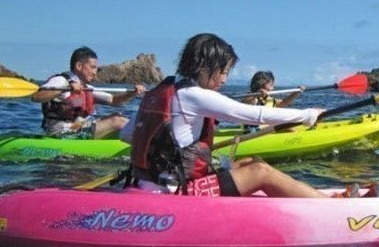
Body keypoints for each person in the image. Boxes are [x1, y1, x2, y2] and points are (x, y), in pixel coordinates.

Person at [120, 33, 333, 199]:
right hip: (175, 193)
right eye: (222, 71)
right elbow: (253, 114)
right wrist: (308, 115)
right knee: (260, 172)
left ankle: (313, 197)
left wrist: (180, 149)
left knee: (251, 161)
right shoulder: (193, 95)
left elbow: (127, 135)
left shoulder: (160, 92)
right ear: (204, 67)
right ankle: (331, 209)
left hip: (146, 184)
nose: (224, 79)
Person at [31, 46, 145, 139]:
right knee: (117, 121)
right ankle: (144, 147)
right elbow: (36, 96)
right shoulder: (61, 80)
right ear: (79, 66)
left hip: (79, 128)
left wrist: (133, 93)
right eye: (92, 67)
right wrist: (66, 87)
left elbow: (113, 100)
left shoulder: (87, 88)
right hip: (60, 134)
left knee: (117, 116)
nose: (95, 72)